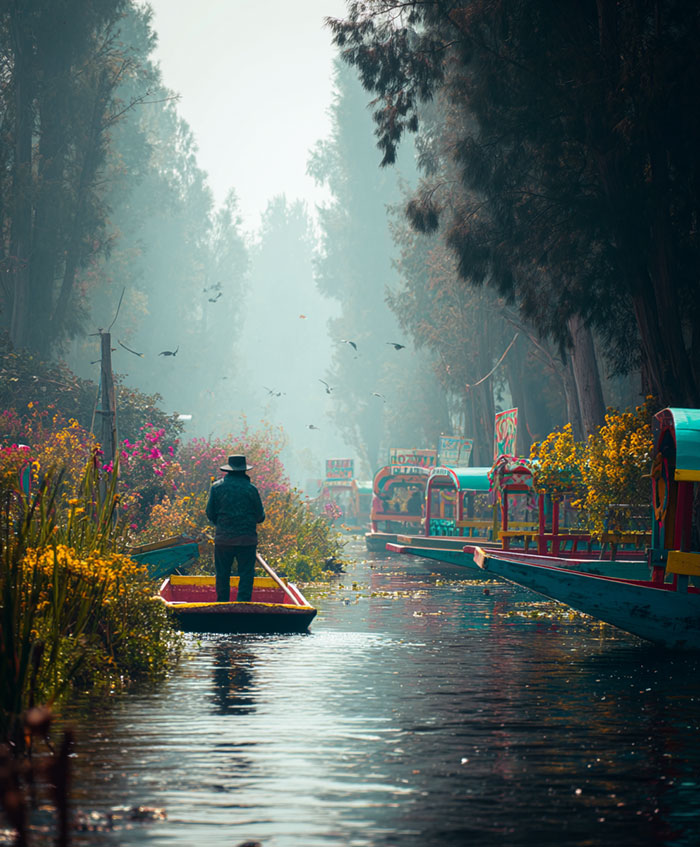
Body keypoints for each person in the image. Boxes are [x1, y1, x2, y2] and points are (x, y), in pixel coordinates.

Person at [205, 454, 265, 602]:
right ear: (244, 471)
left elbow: (210, 513)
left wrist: (221, 524)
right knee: (246, 574)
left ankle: (222, 605)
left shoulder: (217, 488)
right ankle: (243, 605)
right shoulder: (251, 489)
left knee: (222, 574)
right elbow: (260, 516)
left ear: (228, 470)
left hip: (223, 540)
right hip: (247, 540)